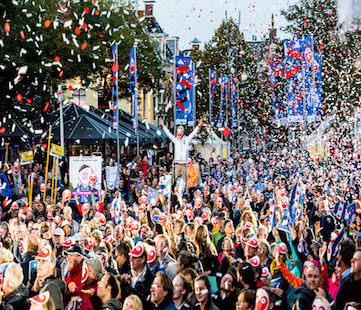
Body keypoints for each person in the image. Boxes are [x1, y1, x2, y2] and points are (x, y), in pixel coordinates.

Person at [159, 118, 202, 183]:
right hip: (177, 163)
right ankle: (176, 191)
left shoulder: (186, 139)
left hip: (184, 163)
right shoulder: (175, 140)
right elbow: (168, 134)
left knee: (185, 180)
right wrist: (163, 126)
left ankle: (185, 191)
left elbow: (193, 133)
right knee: (175, 179)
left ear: (183, 132)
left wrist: (198, 126)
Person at [33, 246, 66, 310]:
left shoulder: (52, 287)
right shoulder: (44, 284)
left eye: (43, 261)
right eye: (38, 260)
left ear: (52, 265)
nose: (39, 264)